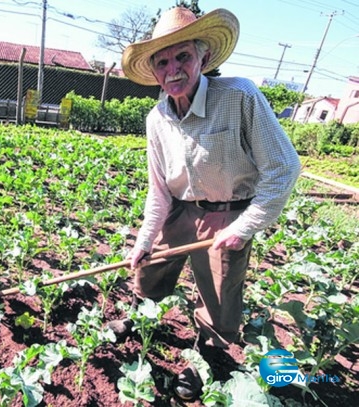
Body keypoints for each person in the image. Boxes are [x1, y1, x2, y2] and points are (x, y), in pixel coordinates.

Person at [108, 6, 302, 401]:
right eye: (162, 61)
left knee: (218, 296)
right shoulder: (156, 119)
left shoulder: (240, 96)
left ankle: (203, 360)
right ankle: (138, 317)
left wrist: (243, 227)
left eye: (183, 56)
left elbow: (284, 168)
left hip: (227, 213)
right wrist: (145, 238)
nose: (173, 69)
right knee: (148, 269)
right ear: (154, 70)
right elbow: (159, 189)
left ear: (204, 58)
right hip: (178, 208)